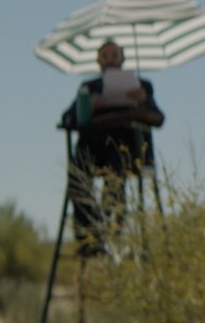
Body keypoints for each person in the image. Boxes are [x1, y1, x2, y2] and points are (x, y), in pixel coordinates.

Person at [60, 40, 164, 255]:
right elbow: (67, 118)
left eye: (114, 55)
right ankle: (90, 239)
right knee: (77, 173)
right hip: (92, 151)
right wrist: (88, 105)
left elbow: (158, 118)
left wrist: (143, 101)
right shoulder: (89, 88)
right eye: (105, 56)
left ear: (123, 59)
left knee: (115, 170)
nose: (110, 60)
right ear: (98, 60)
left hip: (126, 151)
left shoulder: (141, 86)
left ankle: (112, 230)